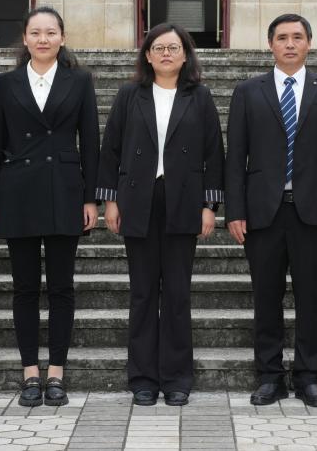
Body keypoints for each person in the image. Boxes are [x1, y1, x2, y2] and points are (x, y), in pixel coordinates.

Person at [224, 13, 317, 408]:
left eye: (298, 37)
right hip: (263, 212)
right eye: (282, 38)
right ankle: (269, 377)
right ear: (270, 44)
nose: (290, 44)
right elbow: (235, 158)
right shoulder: (249, 92)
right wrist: (234, 211)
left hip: (314, 213)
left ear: (309, 43)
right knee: (266, 298)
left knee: (311, 299)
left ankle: (309, 377)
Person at [97, 23, 224, 407]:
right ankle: (143, 379)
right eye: (158, 48)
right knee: (142, 292)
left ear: (186, 55)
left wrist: (209, 205)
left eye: (173, 48)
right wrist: (110, 200)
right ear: (148, 55)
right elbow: (111, 148)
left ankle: (177, 378)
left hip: (183, 200)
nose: (166, 54)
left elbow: (214, 153)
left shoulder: (199, 96)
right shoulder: (129, 95)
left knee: (178, 294)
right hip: (138, 199)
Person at [0, 6, 99, 407]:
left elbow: (91, 141)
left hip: (65, 190)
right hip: (17, 191)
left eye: (50, 32)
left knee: (61, 287)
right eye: (35, 32)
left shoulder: (80, 81)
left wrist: (91, 197)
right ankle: (30, 374)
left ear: (62, 38)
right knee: (24, 288)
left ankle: (56, 374)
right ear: (25, 38)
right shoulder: (5, 83)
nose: (43, 39)